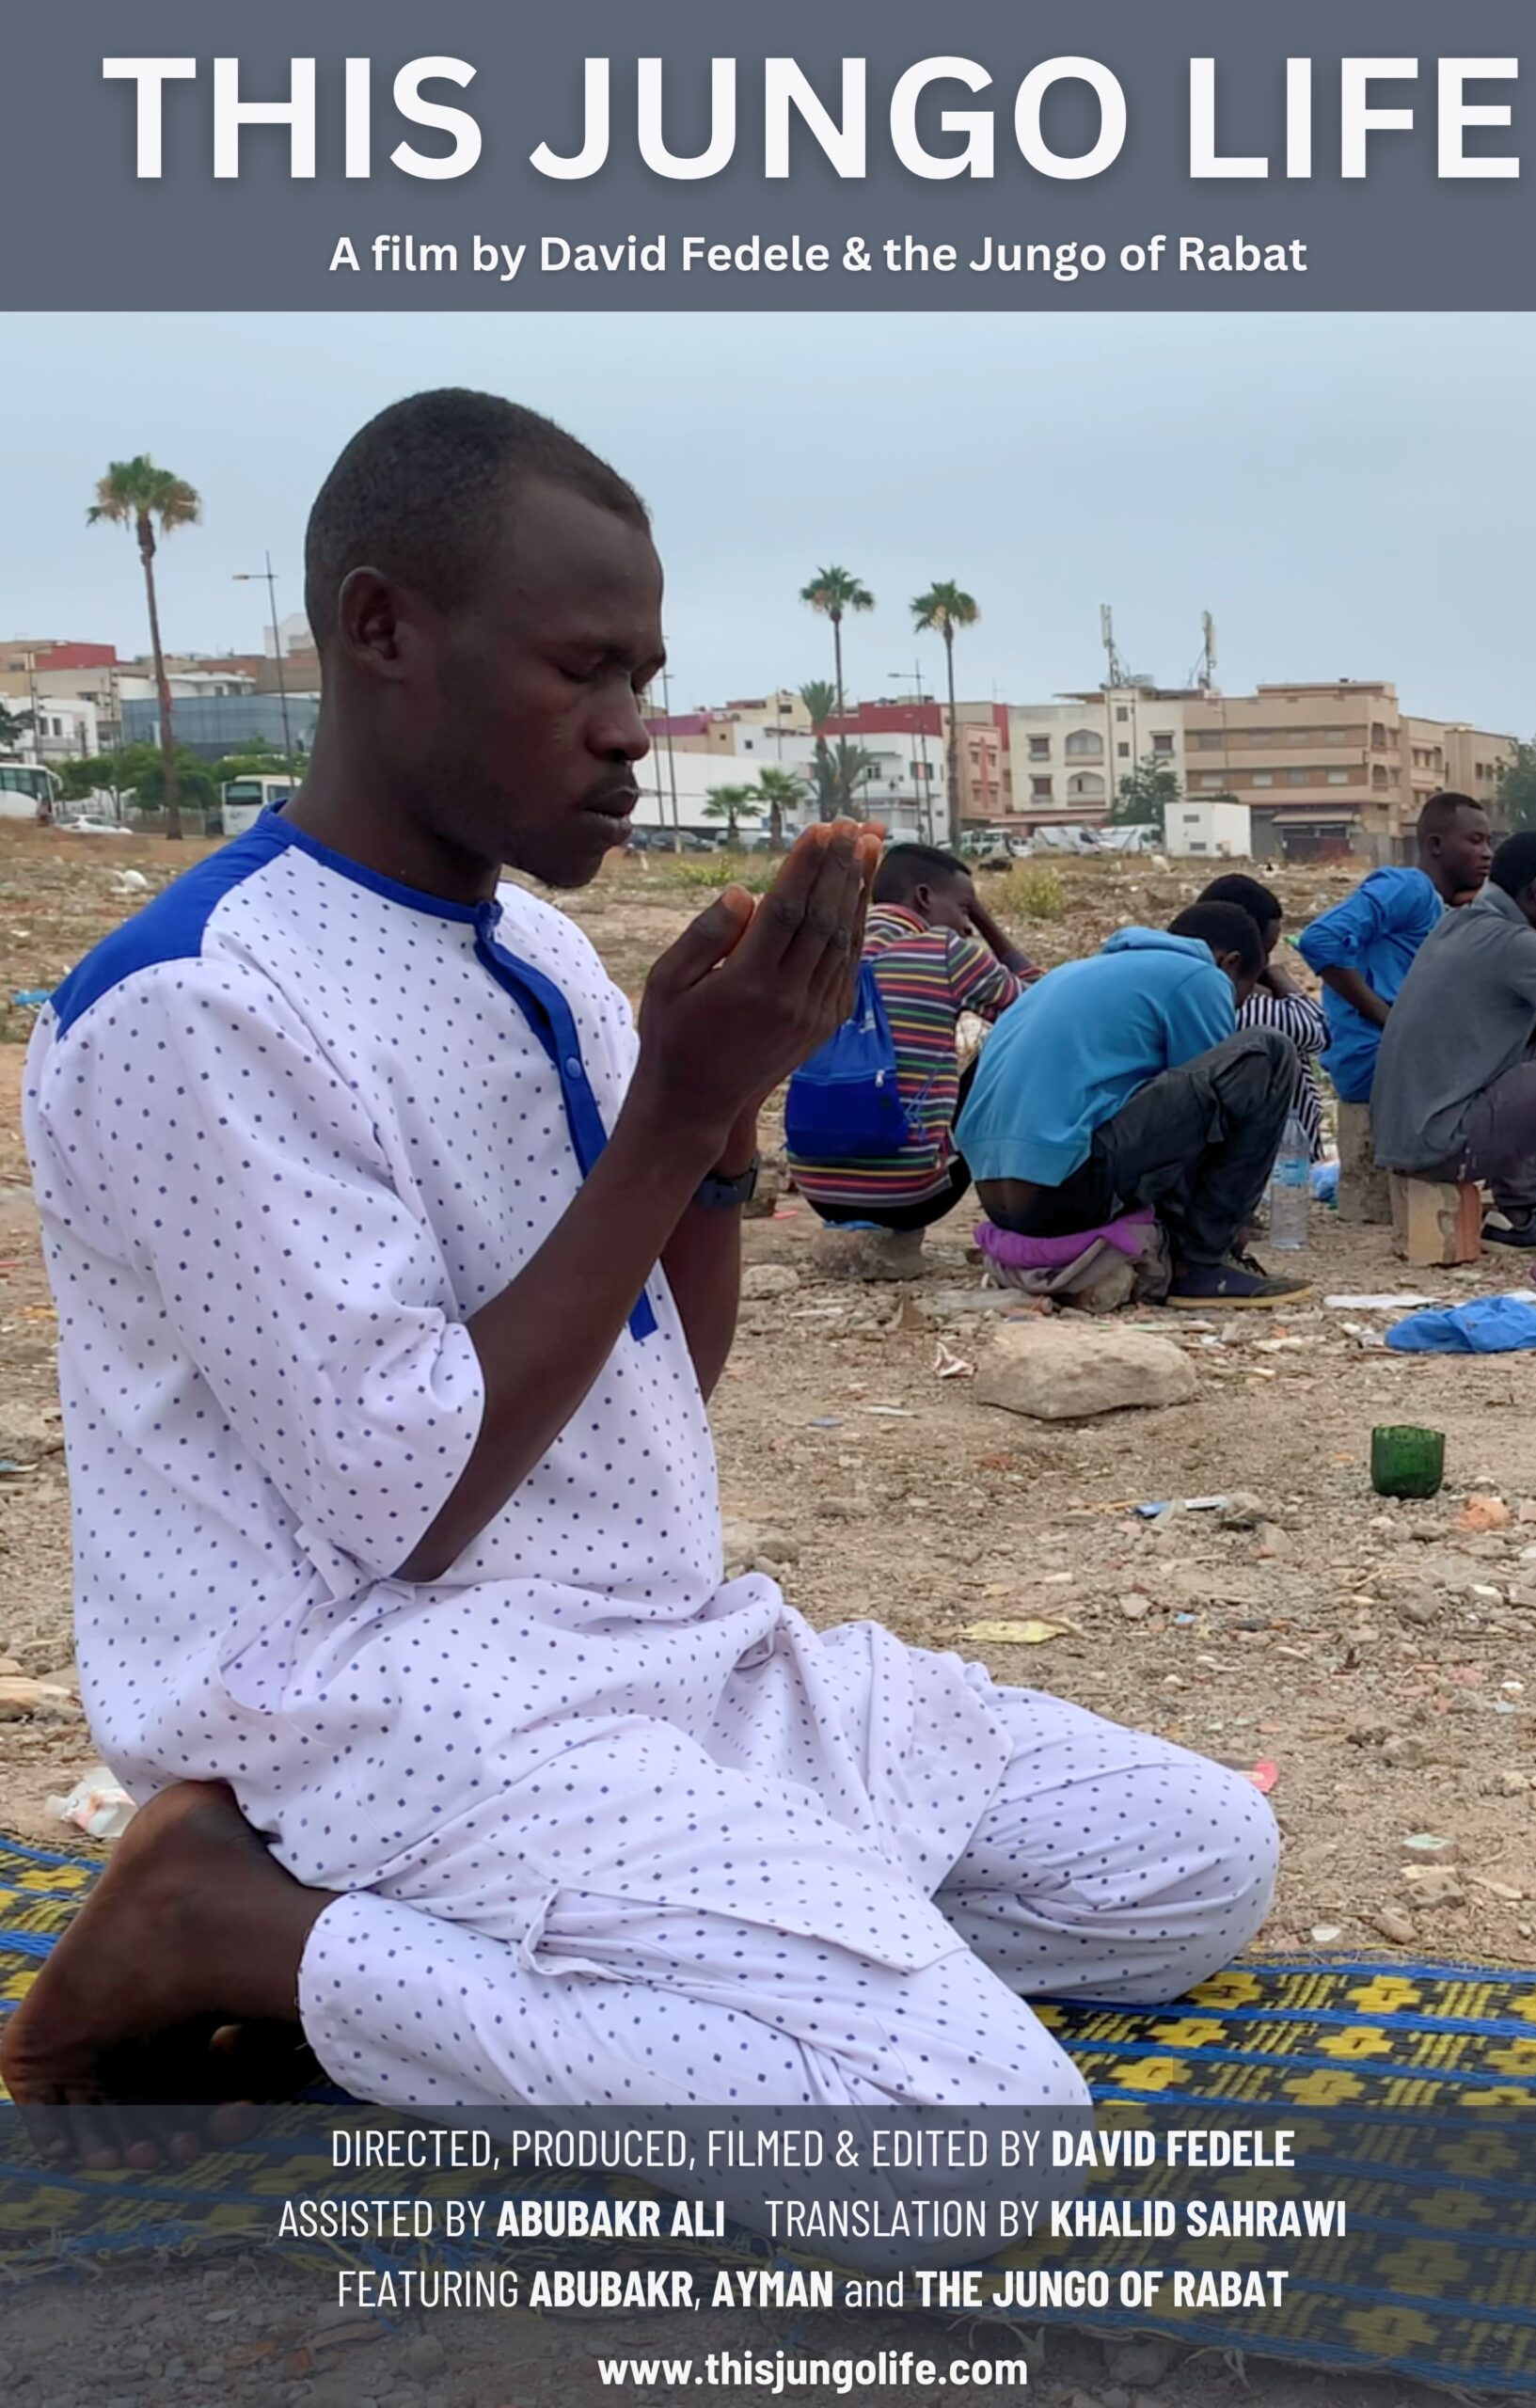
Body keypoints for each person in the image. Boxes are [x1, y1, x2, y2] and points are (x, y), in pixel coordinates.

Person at [6, 390, 1277, 2160]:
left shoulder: (533, 947)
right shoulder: (198, 1005)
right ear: (383, 630)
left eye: (646, 678)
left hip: (653, 1658)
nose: (629, 735)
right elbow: (410, 1505)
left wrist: (725, 1105)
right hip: (378, 1704)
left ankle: (694, 1955)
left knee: (1196, 1862)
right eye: (582, 674)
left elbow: (662, 1375)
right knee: (967, 2145)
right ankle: (241, 1926)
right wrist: (670, 1120)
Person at [957, 901, 1313, 1308]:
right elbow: (1208, 1131)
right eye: (1240, 998)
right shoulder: (1201, 977)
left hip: (998, 1199)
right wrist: (1226, 1224)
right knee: (1268, 1052)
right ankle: (1200, 1267)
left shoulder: (1074, 973)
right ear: (1229, 963)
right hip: (1065, 1193)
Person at [1372, 830, 1536, 1256]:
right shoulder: (1513, 942)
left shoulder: (1460, 923)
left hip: (1410, 1137)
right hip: (1445, 1145)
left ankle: (1518, 1215)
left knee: (1534, 1035)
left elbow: (1489, 1025)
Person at [787, 841, 1035, 1232]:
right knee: (1005, 1052)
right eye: (963, 909)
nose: (966, 925)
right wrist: (988, 926)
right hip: (912, 1199)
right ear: (923, 896)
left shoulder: (824, 951)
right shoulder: (945, 951)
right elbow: (1043, 1009)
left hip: (819, 1193)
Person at [1297, 793, 1494, 1104]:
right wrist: (1389, 1020)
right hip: (1378, 1059)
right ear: (1435, 845)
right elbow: (1320, 939)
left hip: (1399, 1055)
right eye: (1475, 841)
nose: (1487, 854)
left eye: (1487, 843)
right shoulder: (1409, 887)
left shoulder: (1437, 906)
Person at [1199, 873, 1329, 1158]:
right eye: (1263, 953)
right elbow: (1317, 1032)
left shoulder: (1194, 993)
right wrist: (1280, 978)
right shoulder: (1242, 1003)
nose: (1265, 963)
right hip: (1267, 1154)